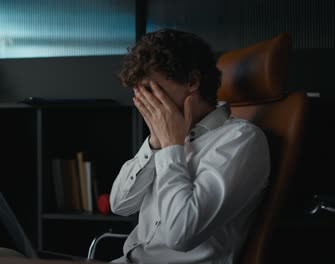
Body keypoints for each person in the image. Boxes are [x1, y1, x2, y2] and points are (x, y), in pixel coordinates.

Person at [109, 29, 270, 264]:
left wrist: (171, 147)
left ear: (192, 82)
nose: (145, 102)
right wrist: (155, 143)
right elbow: (120, 205)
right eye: (140, 93)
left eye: (153, 90)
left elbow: (181, 235)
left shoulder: (241, 140)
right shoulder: (170, 135)